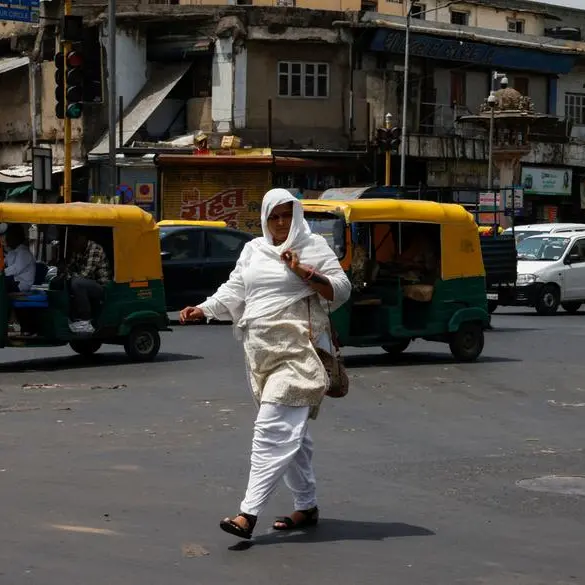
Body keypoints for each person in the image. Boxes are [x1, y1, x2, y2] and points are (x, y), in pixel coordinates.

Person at [180, 188, 351, 540]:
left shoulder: (313, 247)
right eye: (274, 216)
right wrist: (204, 309)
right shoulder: (253, 250)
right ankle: (307, 505)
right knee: (295, 433)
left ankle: (248, 513)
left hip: (299, 351)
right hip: (260, 352)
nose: (280, 222)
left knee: (272, 428)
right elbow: (235, 289)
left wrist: (303, 271)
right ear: (264, 219)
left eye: (287, 214)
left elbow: (341, 288)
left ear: (297, 216)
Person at [65, 230, 111, 334]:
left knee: (77, 283)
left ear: (83, 238)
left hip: (101, 286)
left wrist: (70, 276)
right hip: (87, 284)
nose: (73, 243)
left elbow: (86, 274)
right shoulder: (78, 250)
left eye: (75, 240)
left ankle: (85, 320)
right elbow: (69, 268)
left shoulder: (95, 249)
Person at [3, 224, 36, 294]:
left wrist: (2, 272)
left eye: (5, 236)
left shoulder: (24, 252)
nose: (3, 238)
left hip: (21, 284)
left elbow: (16, 269)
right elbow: (4, 262)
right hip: (15, 281)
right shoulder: (13, 251)